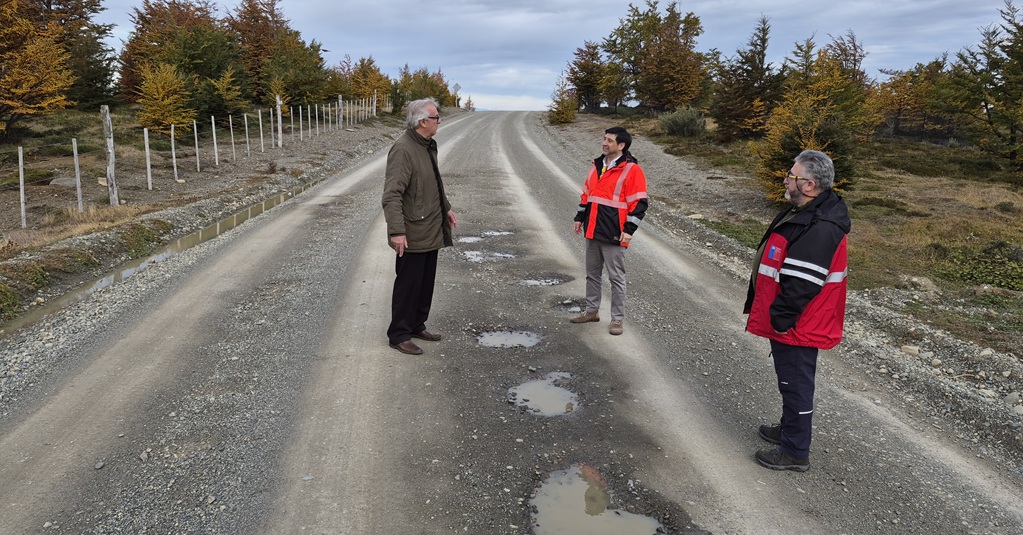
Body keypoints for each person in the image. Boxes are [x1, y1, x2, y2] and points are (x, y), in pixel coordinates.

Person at [743, 149, 850, 471]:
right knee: (789, 380)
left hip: (799, 323)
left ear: (810, 185)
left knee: (796, 384)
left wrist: (781, 318)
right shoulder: (806, 212)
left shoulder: (820, 225)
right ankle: (789, 430)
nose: (785, 180)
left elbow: (803, 281)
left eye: (791, 176)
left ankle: (794, 451)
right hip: (794, 320)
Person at [381, 98, 457, 355]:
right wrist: (397, 231)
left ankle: (416, 324)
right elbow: (392, 195)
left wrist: (446, 208)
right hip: (412, 231)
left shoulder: (426, 145)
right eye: (436, 118)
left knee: (425, 282)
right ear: (422, 122)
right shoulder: (403, 149)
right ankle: (399, 334)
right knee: (409, 284)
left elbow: (432, 183)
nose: (439, 121)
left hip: (431, 226)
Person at [570, 126, 649, 335]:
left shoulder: (632, 170)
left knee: (616, 278)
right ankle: (592, 311)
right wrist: (579, 217)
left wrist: (629, 230)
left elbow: (639, 203)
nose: (604, 143)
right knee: (592, 274)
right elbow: (587, 194)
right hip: (592, 229)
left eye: (609, 140)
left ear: (621, 145)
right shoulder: (597, 165)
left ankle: (617, 320)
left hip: (615, 232)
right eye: (604, 139)